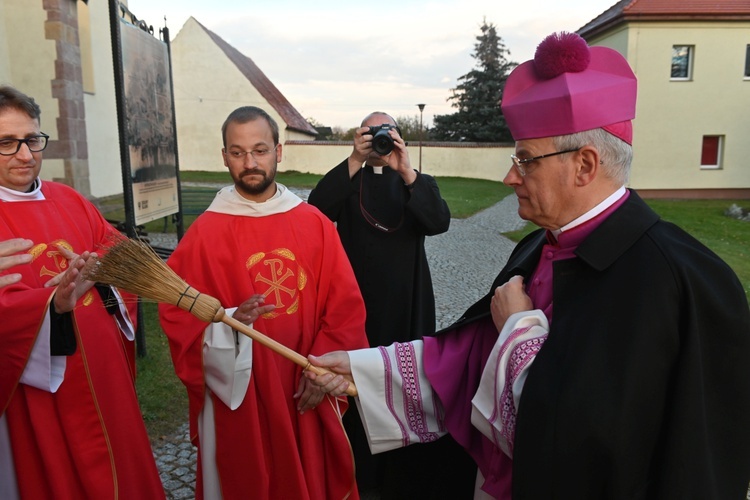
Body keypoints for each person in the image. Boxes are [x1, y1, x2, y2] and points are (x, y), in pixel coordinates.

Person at [306, 32, 750, 499]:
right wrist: (363, 369)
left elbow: (599, 438)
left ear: (584, 165)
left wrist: (518, 327)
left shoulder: (681, 282)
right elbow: (471, 356)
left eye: (525, 160)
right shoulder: (539, 246)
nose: (510, 176)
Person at [158, 105, 369, 499]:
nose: (250, 162)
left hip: (304, 381)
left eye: (260, 149)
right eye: (237, 153)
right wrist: (232, 321)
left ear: (279, 150)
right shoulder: (205, 233)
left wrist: (321, 372)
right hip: (243, 392)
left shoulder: (314, 223)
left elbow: (345, 307)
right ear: (224, 157)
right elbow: (176, 314)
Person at [0, 85, 164, 498]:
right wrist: (51, 307)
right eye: (7, 143)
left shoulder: (69, 199)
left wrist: (107, 275)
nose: (25, 155)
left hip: (105, 373)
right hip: (43, 392)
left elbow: (116, 260)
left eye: (33, 139)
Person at [307, 112, 474, 498]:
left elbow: (439, 221)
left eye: (388, 133)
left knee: (404, 384)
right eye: (373, 133)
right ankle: (360, 472)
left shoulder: (415, 183)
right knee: (357, 385)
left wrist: (408, 171)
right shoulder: (350, 181)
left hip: (408, 302)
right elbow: (316, 210)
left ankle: (402, 475)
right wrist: (353, 160)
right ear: (359, 136)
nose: (381, 141)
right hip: (357, 305)